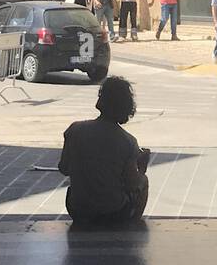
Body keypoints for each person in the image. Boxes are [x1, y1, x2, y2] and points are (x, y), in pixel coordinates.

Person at [59, 76, 151, 225]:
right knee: (143, 182)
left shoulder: (75, 130)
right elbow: (132, 183)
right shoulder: (127, 141)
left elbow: (64, 168)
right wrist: (141, 168)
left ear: (100, 101)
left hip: (78, 209)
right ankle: (132, 223)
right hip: (113, 212)